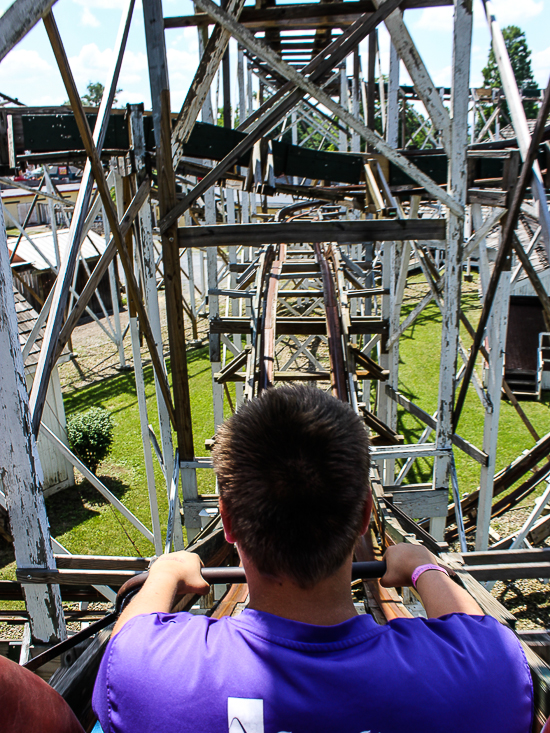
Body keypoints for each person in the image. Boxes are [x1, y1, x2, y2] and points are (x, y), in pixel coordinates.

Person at [92, 386, 533, 733]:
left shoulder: (148, 672)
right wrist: (423, 567)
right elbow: (482, 637)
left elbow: (127, 641)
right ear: (364, 514)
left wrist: (165, 574)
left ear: (226, 521)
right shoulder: (483, 672)